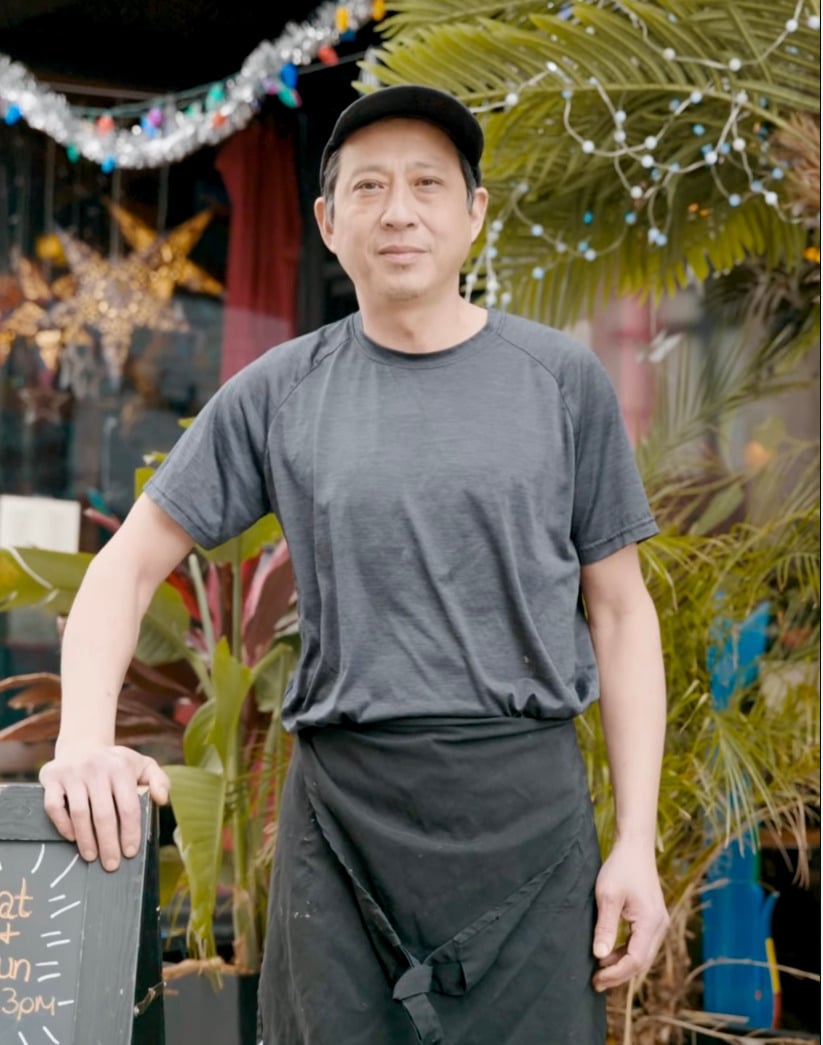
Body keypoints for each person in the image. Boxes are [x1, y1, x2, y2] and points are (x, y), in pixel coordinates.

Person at [40, 84, 670, 1043]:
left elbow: (621, 614)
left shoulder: (561, 382)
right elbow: (122, 568)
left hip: (527, 817)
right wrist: (81, 738)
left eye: (427, 183)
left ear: (474, 213)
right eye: (368, 187)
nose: (398, 211)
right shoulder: (278, 392)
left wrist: (636, 841)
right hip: (339, 828)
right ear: (328, 224)